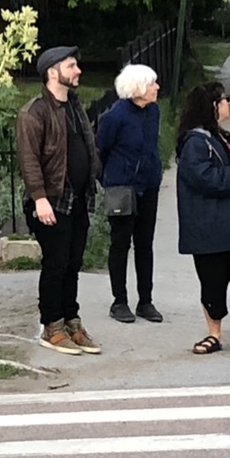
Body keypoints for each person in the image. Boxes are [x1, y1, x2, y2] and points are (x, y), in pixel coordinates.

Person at [16, 46, 102, 356]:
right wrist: (39, 199)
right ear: (53, 72)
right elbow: (29, 160)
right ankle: (52, 326)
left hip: (77, 199)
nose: (78, 70)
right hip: (51, 200)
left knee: (73, 263)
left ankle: (71, 321)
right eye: (71, 66)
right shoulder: (34, 112)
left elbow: (86, 148)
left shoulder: (74, 107)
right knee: (56, 264)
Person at [175, 82, 230, 357]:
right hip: (210, 226)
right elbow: (209, 180)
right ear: (214, 106)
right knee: (213, 284)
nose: (229, 103)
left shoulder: (221, 136)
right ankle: (214, 334)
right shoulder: (195, 142)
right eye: (226, 99)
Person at [96, 64, 164, 324]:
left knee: (145, 243)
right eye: (152, 84)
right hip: (122, 187)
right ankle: (119, 301)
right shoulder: (115, 117)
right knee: (120, 243)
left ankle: (145, 300)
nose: (157, 88)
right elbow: (101, 149)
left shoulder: (153, 111)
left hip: (149, 185)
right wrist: (108, 180)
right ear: (137, 88)